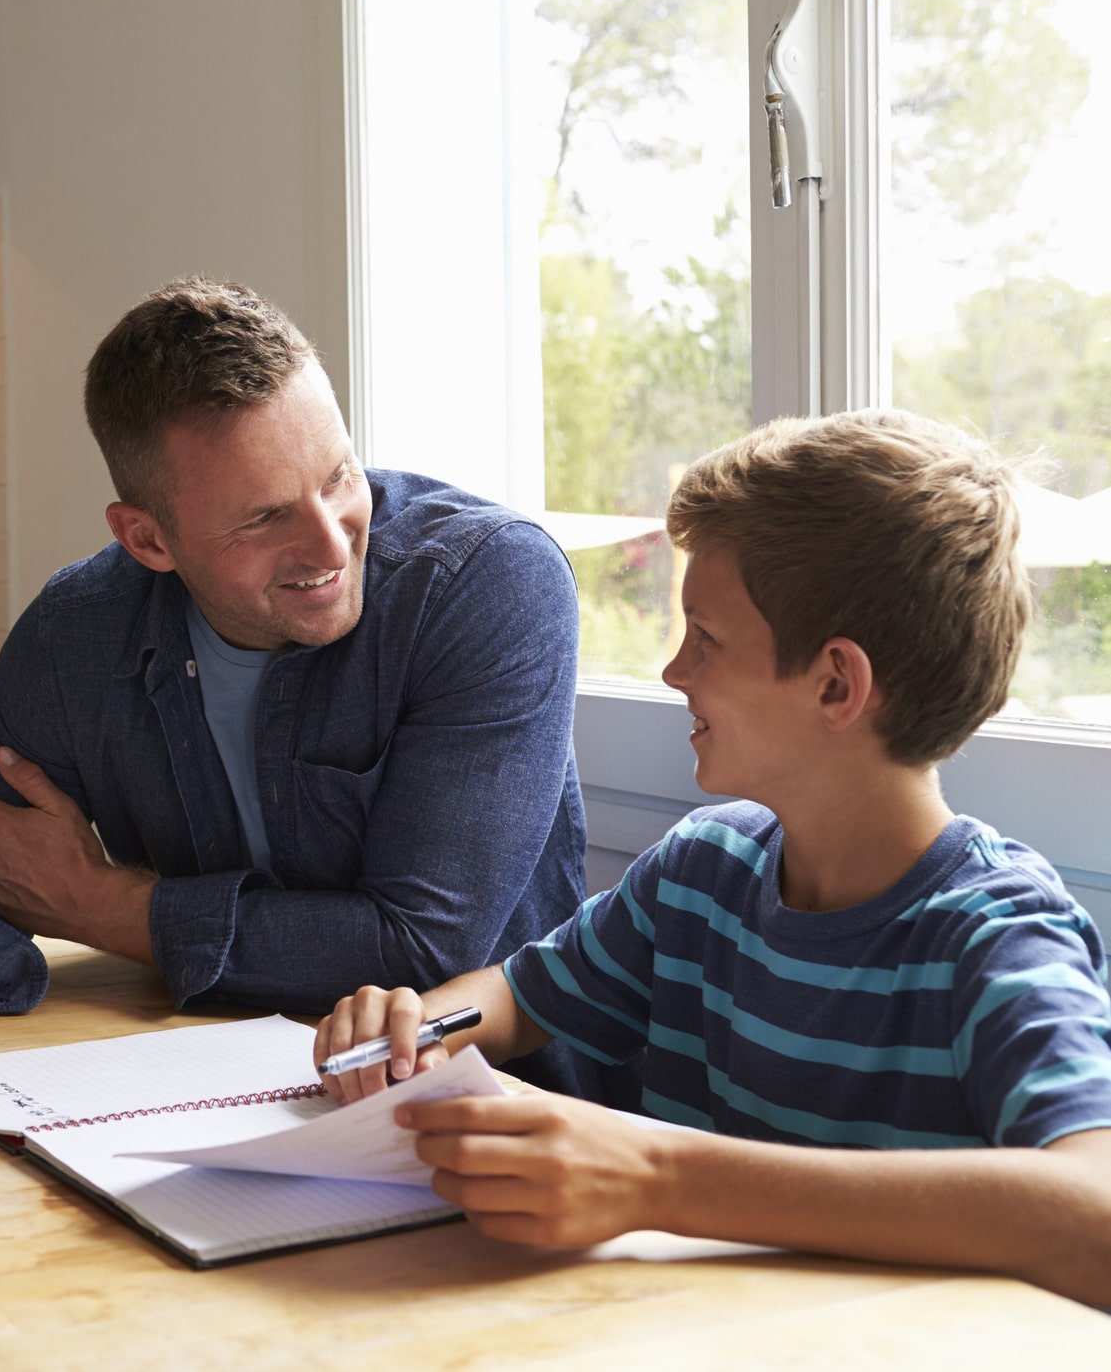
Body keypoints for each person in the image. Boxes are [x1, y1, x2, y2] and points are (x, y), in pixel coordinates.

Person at [0, 276, 618, 1103]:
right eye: (265, 516)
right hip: (193, 1096)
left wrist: (101, 905)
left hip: (495, 1105)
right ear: (147, 539)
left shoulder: (487, 583)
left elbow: (423, 947)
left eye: (338, 476)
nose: (331, 542)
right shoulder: (72, 635)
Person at [314, 410, 1111, 1305]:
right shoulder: (705, 868)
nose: (672, 671)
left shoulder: (998, 938)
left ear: (834, 684)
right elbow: (516, 997)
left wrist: (661, 1177)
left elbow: (1095, 1210)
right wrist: (417, 1026)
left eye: (706, 638)